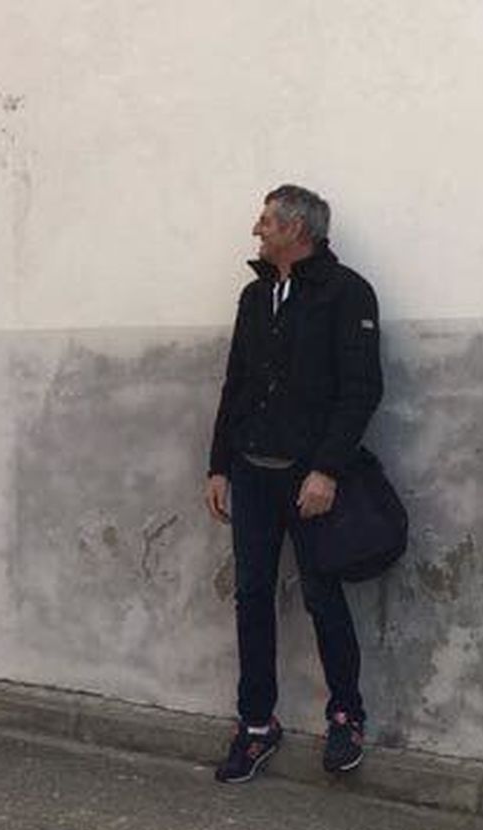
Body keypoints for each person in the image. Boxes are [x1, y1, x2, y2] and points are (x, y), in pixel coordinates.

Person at [204, 184, 383, 783]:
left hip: (311, 480)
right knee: (252, 596)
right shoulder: (255, 296)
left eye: (267, 220)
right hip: (253, 475)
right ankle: (256, 724)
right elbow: (236, 382)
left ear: (297, 228)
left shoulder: (347, 293)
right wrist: (219, 464)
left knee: (321, 597)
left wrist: (327, 470)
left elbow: (361, 390)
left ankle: (346, 716)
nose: (257, 229)